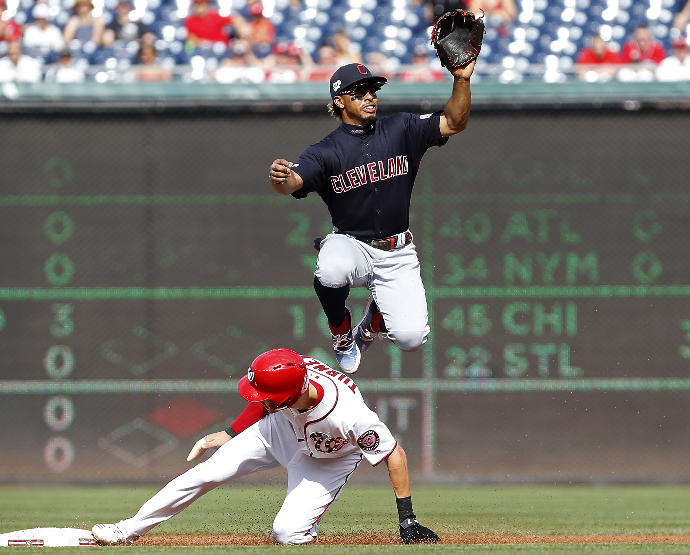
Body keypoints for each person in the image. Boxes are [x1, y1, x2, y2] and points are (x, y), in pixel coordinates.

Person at [90, 349, 440, 545]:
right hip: (281, 430)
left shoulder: (350, 415)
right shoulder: (290, 371)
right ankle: (126, 530)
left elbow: (393, 452)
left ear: (289, 394)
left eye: (267, 396)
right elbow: (266, 399)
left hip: (329, 458)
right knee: (206, 472)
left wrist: (407, 518)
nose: (258, 399)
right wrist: (231, 432)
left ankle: (306, 530)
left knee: (286, 534)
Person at [267, 58, 475, 373]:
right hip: (353, 243)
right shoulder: (324, 151)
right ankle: (341, 333)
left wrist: (461, 79)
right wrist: (281, 179)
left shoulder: (401, 127)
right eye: (358, 91)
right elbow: (293, 183)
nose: (369, 96)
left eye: (372, 90)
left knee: (411, 339)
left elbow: (454, 122)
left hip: (397, 251)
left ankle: (371, 323)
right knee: (332, 269)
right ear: (339, 101)